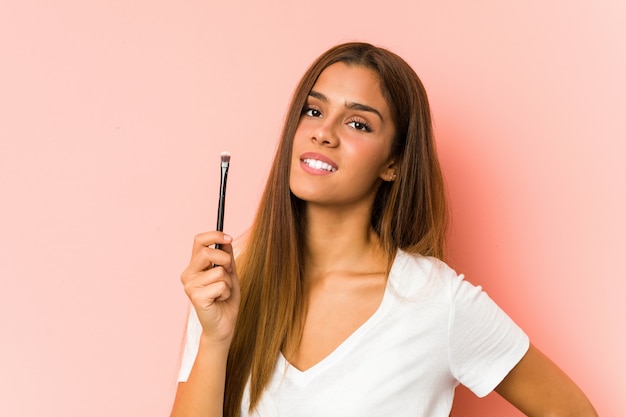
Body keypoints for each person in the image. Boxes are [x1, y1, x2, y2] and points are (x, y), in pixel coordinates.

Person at [170, 42, 597, 417]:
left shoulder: (435, 300)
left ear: (393, 163)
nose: (323, 132)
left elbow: (571, 410)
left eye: (358, 123)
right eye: (313, 111)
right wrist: (215, 337)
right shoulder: (226, 284)